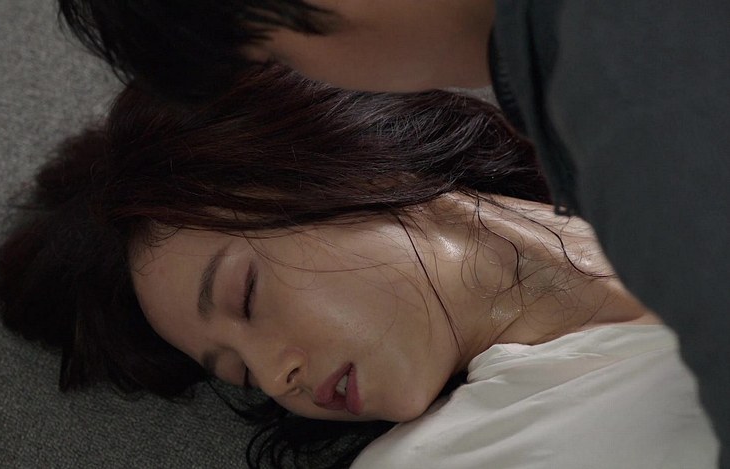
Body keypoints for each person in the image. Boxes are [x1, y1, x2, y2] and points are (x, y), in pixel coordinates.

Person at [55, 1, 730, 460]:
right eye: (242, 374)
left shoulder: (641, 112)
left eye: (247, 296)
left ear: (340, 163)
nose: (278, 375)